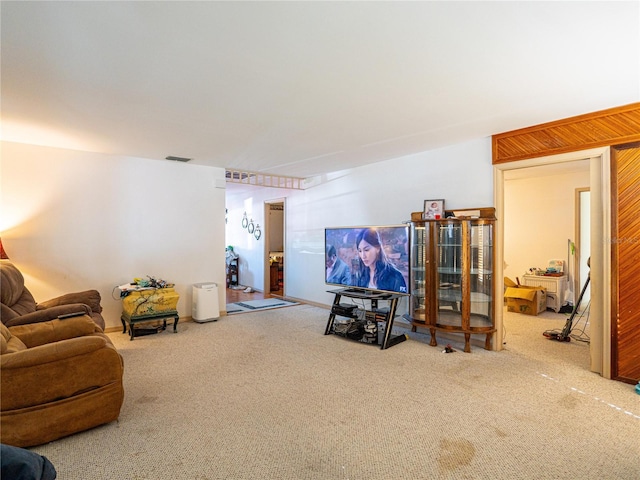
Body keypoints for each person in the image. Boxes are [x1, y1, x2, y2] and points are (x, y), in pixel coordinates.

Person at [354, 228, 407, 293]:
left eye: (366, 250)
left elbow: (401, 300)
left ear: (378, 248)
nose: (363, 256)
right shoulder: (360, 274)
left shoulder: (395, 276)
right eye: (360, 251)